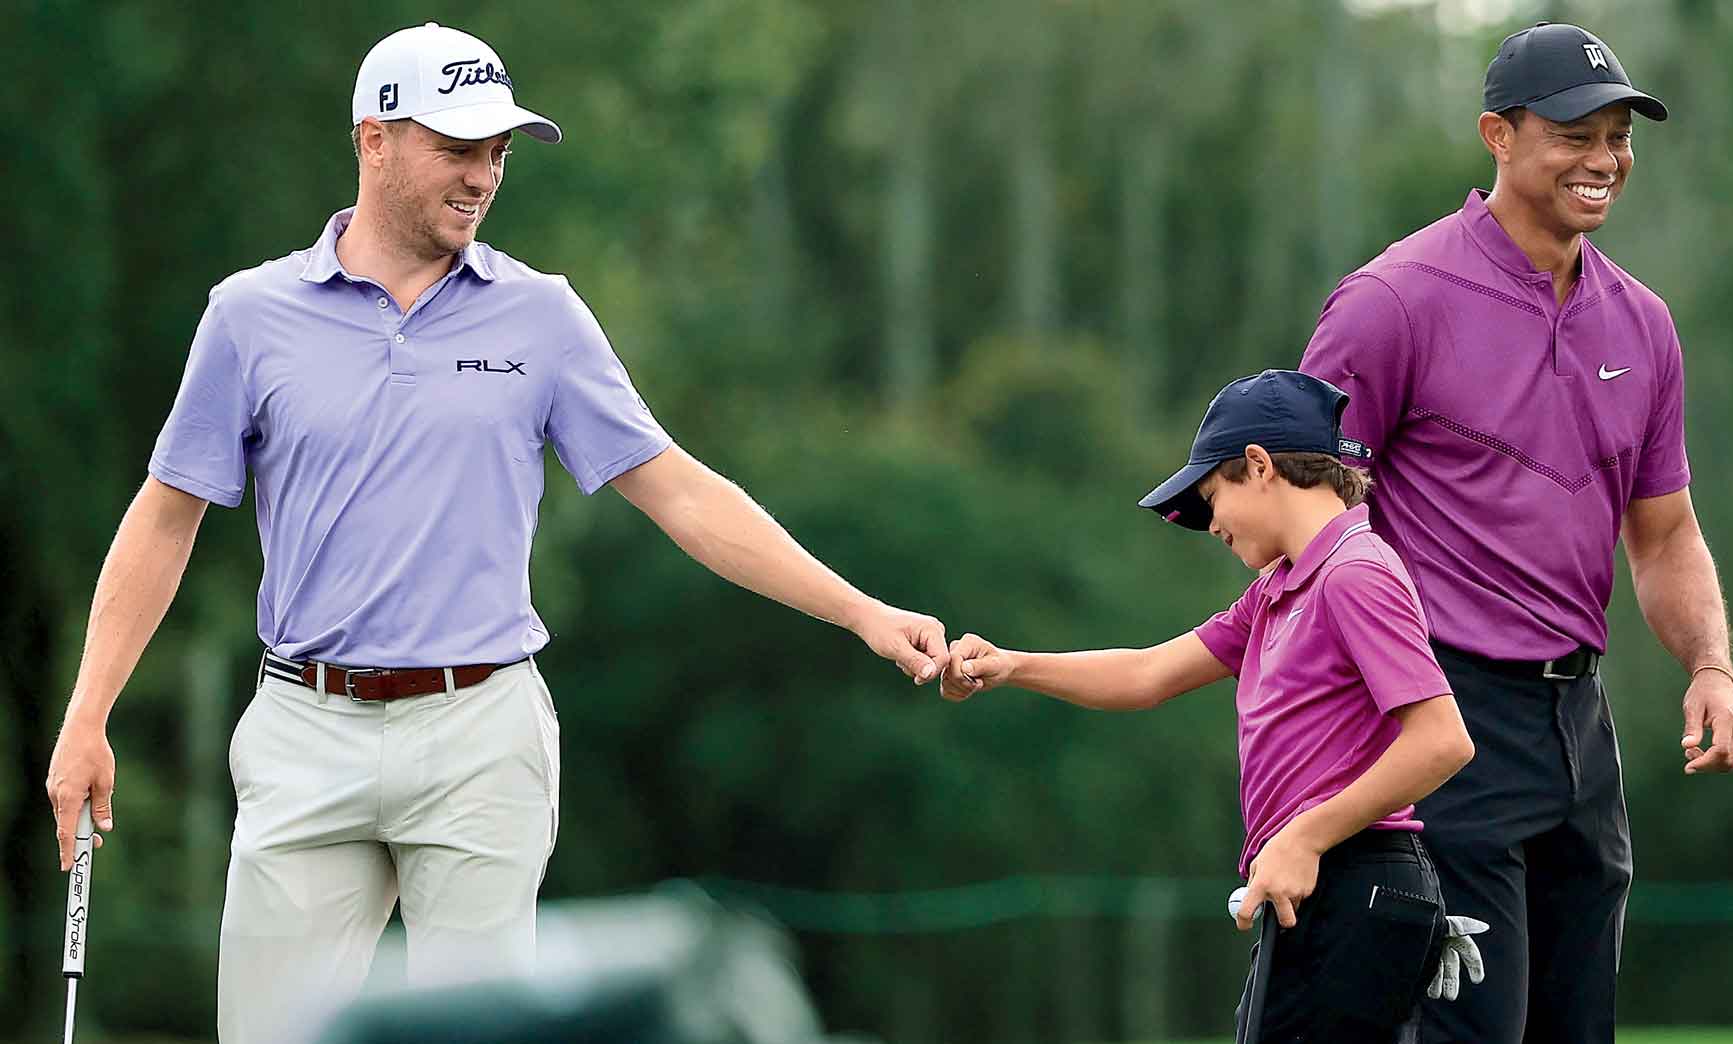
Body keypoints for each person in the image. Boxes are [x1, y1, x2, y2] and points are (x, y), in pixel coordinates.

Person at [41, 22, 948, 1044]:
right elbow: (166, 516)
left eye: (498, 153)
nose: (482, 177)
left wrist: (860, 613)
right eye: (457, 149)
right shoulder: (250, 316)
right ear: (374, 139)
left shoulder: (541, 317)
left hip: (480, 732)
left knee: (483, 1032)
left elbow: (681, 495)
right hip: (305, 729)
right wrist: (88, 714)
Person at [1297, 22, 1733, 1044]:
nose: (1604, 160)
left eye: (1617, 137)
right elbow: (1310, 523)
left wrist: (1710, 666)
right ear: (1497, 135)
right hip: (1439, 717)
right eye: (1574, 135)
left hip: (1579, 730)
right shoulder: (1392, 301)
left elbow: (1664, 533)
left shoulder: (1642, 323)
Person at [941, 369, 1480, 1041]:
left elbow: (1442, 740)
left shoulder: (1354, 572)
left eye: (1212, 498)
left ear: (1258, 465)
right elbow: (1149, 673)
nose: (1212, 525)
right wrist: (1012, 666)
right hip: (1319, 882)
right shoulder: (1278, 591)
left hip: (1352, 873)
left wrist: (1305, 838)